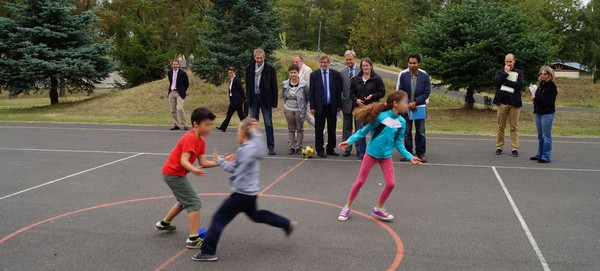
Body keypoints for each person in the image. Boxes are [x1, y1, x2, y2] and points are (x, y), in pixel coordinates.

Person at [191, 118, 295, 262]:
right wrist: (220, 161)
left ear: (244, 133)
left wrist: (255, 131)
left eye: (239, 131)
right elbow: (234, 167)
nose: (237, 134)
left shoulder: (250, 148)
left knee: (218, 218)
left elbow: (259, 153)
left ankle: (208, 251)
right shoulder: (244, 148)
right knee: (255, 215)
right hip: (249, 195)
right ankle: (285, 223)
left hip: (242, 194)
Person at [337, 91, 421, 222]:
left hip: (386, 157)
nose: (407, 104)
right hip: (371, 154)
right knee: (360, 181)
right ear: (395, 103)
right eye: (405, 102)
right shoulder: (381, 117)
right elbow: (363, 131)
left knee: (391, 183)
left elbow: (398, 143)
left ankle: (378, 208)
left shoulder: (401, 122)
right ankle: (347, 206)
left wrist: (410, 156)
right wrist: (350, 141)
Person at [155, 107, 219, 249]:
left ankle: (164, 223)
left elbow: (203, 162)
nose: (210, 128)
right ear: (196, 124)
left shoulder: (201, 141)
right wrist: (193, 169)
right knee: (194, 203)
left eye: (211, 125)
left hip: (175, 174)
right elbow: (184, 161)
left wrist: (221, 162)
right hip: (173, 174)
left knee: (184, 201)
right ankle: (193, 240)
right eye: (207, 125)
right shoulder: (190, 138)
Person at [396, 53, 431, 163]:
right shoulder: (403, 75)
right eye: (410, 63)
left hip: (419, 107)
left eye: (414, 63)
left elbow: (426, 93)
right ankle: (408, 153)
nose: (412, 65)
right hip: (407, 107)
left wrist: (416, 102)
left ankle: (421, 153)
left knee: (420, 131)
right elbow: (400, 90)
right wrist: (408, 103)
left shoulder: (424, 76)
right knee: (406, 131)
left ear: (418, 63)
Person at [350, 57, 386, 161]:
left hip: (373, 109)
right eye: (363, 66)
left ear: (371, 66)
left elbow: (382, 92)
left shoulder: (377, 79)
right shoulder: (355, 79)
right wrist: (356, 100)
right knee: (360, 132)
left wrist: (373, 96)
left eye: (367, 65)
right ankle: (362, 154)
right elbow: (351, 94)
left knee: (375, 132)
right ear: (361, 67)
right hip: (360, 110)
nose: (365, 67)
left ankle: (374, 154)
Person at [309, 54, 343, 158]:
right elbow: (312, 92)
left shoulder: (335, 74)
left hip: (332, 105)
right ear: (319, 63)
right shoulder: (314, 75)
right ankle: (320, 149)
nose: (323, 64)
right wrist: (312, 107)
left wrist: (339, 105)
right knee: (319, 129)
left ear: (329, 63)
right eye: (322, 62)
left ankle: (330, 148)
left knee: (332, 129)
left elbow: (338, 90)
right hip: (319, 106)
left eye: (325, 62)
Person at [246, 48, 278, 155]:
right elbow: (247, 85)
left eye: (261, 58)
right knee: (253, 124)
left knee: (268, 123)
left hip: (265, 98)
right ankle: (253, 146)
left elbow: (274, 86)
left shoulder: (270, 68)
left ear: (264, 57)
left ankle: (271, 146)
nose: (259, 60)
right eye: (257, 58)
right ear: (254, 57)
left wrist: (274, 101)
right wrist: (248, 99)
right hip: (253, 97)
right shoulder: (249, 68)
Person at [493, 53, 524, 157]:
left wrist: (506, 82)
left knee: (514, 127)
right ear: (504, 61)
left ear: (514, 61)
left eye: (510, 61)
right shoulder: (500, 72)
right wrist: (505, 74)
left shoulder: (519, 72)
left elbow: (519, 85)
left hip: (514, 103)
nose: (508, 63)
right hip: (502, 102)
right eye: (507, 61)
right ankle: (499, 147)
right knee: (500, 126)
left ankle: (514, 148)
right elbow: (497, 82)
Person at [530, 66, 557, 163]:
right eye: (541, 73)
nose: (542, 75)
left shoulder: (552, 87)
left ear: (549, 75)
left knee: (546, 136)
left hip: (547, 113)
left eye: (544, 74)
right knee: (540, 135)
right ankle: (539, 154)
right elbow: (538, 98)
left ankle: (546, 156)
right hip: (539, 112)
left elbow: (548, 102)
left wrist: (535, 99)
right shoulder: (541, 85)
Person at [282, 64, 308, 155]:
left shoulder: (303, 84)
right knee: (291, 128)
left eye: (295, 72)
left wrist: (304, 107)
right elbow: (283, 95)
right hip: (288, 108)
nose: (293, 74)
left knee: (299, 128)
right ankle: (292, 147)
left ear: (298, 73)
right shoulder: (285, 84)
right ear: (289, 73)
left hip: (299, 109)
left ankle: (299, 147)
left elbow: (307, 97)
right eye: (291, 72)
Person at [339, 50, 359, 157]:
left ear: (354, 59)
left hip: (358, 105)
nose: (348, 61)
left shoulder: (361, 70)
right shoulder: (341, 72)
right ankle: (347, 148)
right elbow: (340, 89)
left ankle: (360, 149)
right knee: (347, 128)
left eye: (350, 59)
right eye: (347, 60)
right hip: (346, 103)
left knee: (359, 128)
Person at [217, 67, 246, 132]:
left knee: (241, 115)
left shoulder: (236, 80)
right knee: (229, 114)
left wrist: (244, 98)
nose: (230, 74)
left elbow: (241, 90)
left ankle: (246, 127)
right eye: (229, 73)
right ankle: (223, 127)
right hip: (233, 100)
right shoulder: (231, 80)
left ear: (234, 72)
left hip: (237, 101)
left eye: (231, 73)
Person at [167, 59, 190, 130]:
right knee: (172, 110)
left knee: (179, 108)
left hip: (180, 93)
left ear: (179, 65)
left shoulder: (183, 73)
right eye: (174, 64)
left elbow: (187, 83)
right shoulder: (170, 73)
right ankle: (175, 125)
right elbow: (171, 81)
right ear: (172, 65)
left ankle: (185, 124)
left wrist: (183, 91)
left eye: (176, 64)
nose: (175, 65)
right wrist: (170, 91)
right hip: (172, 92)